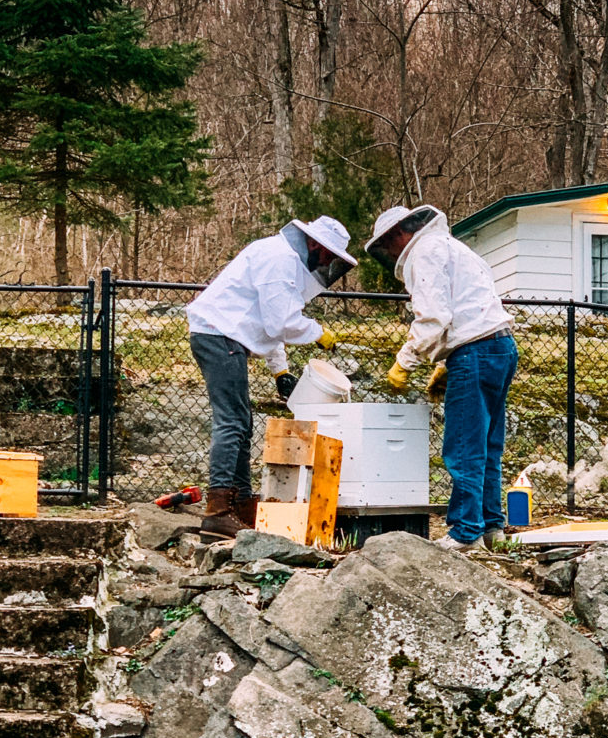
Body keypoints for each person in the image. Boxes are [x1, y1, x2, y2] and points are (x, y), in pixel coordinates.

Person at [187, 215, 357, 541]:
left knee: (242, 421)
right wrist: (318, 332)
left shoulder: (283, 260)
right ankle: (218, 511)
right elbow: (281, 322)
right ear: (314, 244)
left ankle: (241, 504)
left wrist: (280, 369)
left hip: (224, 338)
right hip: (219, 337)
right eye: (328, 254)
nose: (327, 261)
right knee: (232, 422)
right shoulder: (280, 259)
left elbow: (268, 322)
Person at [365, 204, 517, 553]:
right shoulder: (455, 248)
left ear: (397, 235)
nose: (389, 253)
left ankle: (465, 532)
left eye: (387, 246)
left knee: (464, 446)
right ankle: (492, 527)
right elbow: (470, 307)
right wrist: (447, 362)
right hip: (501, 347)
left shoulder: (424, 252)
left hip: (475, 352)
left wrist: (406, 360)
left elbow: (434, 316)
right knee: (488, 445)